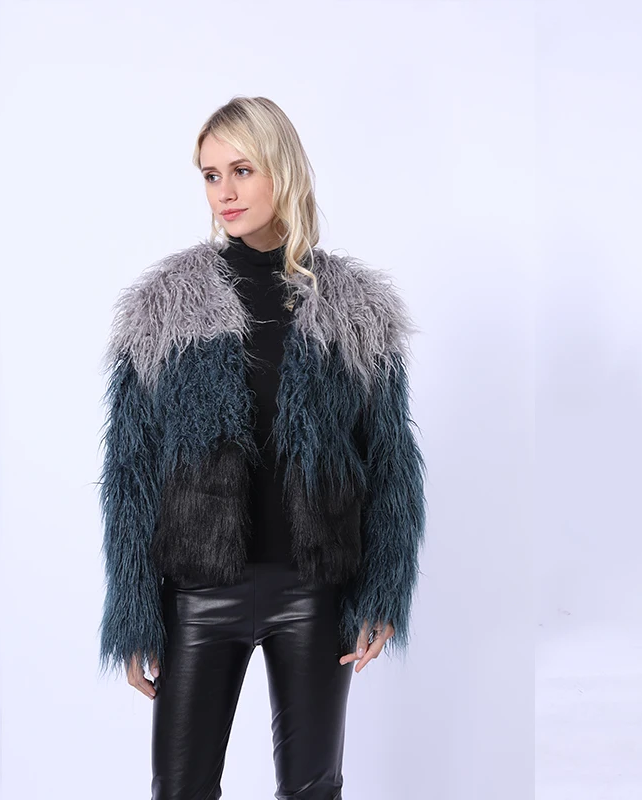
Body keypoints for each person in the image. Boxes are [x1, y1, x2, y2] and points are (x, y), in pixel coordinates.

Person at [96, 95, 427, 800]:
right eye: (211, 175)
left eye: (242, 170)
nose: (225, 192)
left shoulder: (354, 308)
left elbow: (390, 460)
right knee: (180, 788)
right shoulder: (164, 307)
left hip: (314, 589)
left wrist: (383, 588)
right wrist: (134, 609)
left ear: (283, 169)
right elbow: (130, 469)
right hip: (198, 592)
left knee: (313, 789)